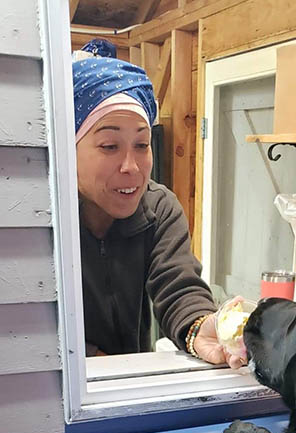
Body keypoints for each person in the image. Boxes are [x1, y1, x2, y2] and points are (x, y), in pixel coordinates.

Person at [72, 50, 243, 369]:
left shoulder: (158, 208)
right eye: (110, 146)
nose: (131, 167)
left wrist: (200, 327)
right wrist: (88, 356)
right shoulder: (38, 220)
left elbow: (178, 284)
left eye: (141, 144)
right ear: (68, 147)